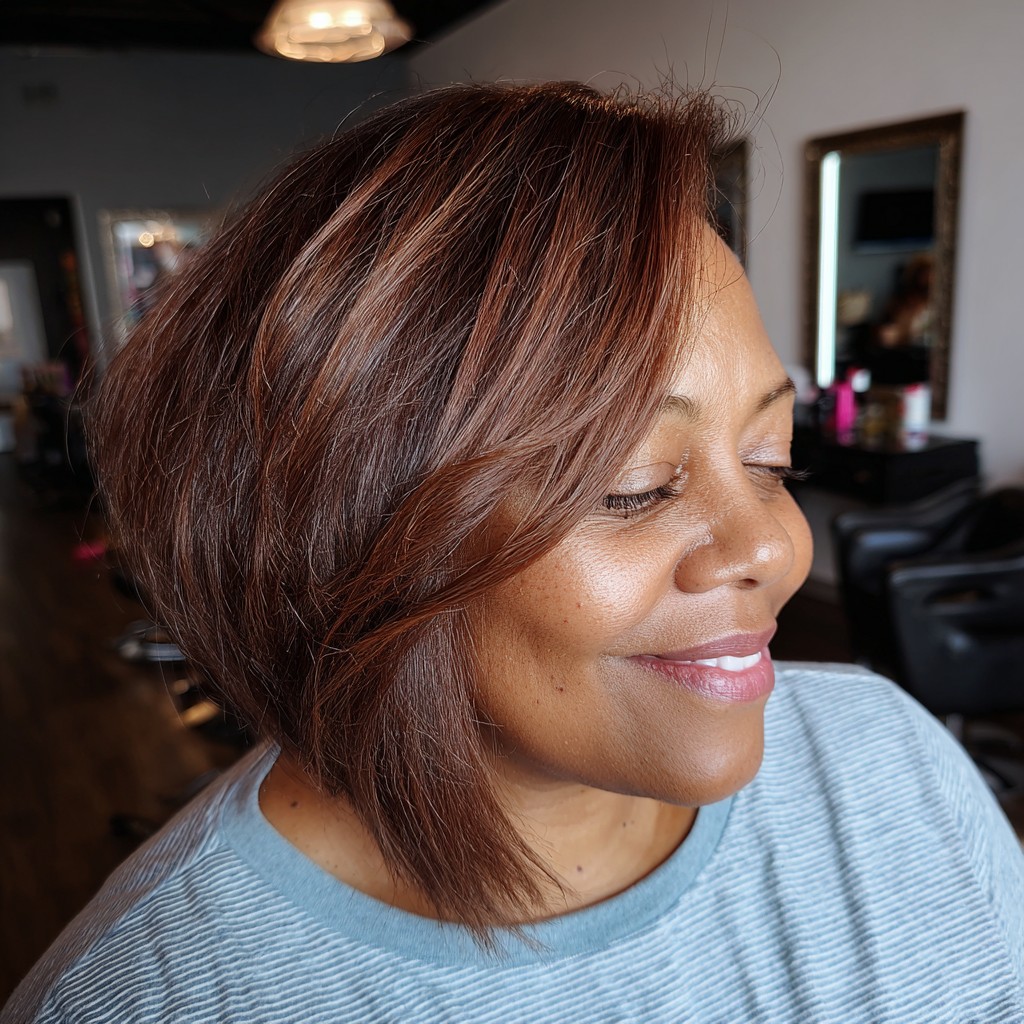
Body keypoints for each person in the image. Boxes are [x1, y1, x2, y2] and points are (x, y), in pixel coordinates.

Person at [4, 82, 1023, 1023]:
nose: (772, 545)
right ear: (344, 528)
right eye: (634, 483)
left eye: (770, 458)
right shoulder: (155, 995)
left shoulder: (891, 768)